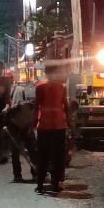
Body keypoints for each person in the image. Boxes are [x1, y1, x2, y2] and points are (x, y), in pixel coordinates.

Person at [32, 64, 70, 194]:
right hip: (59, 126)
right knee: (58, 156)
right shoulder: (62, 87)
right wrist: (69, 123)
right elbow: (66, 106)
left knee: (42, 155)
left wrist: (33, 124)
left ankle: (40, 184)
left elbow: (36, 106)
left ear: (46, 73)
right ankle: (55, 183)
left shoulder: (40, 87)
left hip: (44, 126)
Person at [4, 101, 38, 182]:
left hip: (26, 126)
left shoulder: (35, 109)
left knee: (32, 150)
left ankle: (35, 172)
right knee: (15, 152)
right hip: (15, 126)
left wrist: (30, 128)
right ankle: (17, 174)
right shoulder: (16, 108)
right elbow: (7, 117)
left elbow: (34, 120)